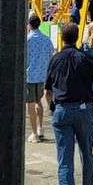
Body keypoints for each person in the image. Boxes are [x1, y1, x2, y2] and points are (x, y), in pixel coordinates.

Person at [45, 22, 93, 185]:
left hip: (62, 110)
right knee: (87, 154)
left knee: (65, 163)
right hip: (83, 109)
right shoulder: (86, 59)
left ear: (62, 38)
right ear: (77, 37)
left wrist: (52, 107)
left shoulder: (55, 60)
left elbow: (48, 91)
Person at [26, 14, 54, 142]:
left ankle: (34, 133)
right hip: (43, 75)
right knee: (38, 101)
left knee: (31, 103)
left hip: (30, 75)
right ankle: (40, 128)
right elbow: (50, 55)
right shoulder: (46, 39)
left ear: (29, 24)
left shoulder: (28, 39)